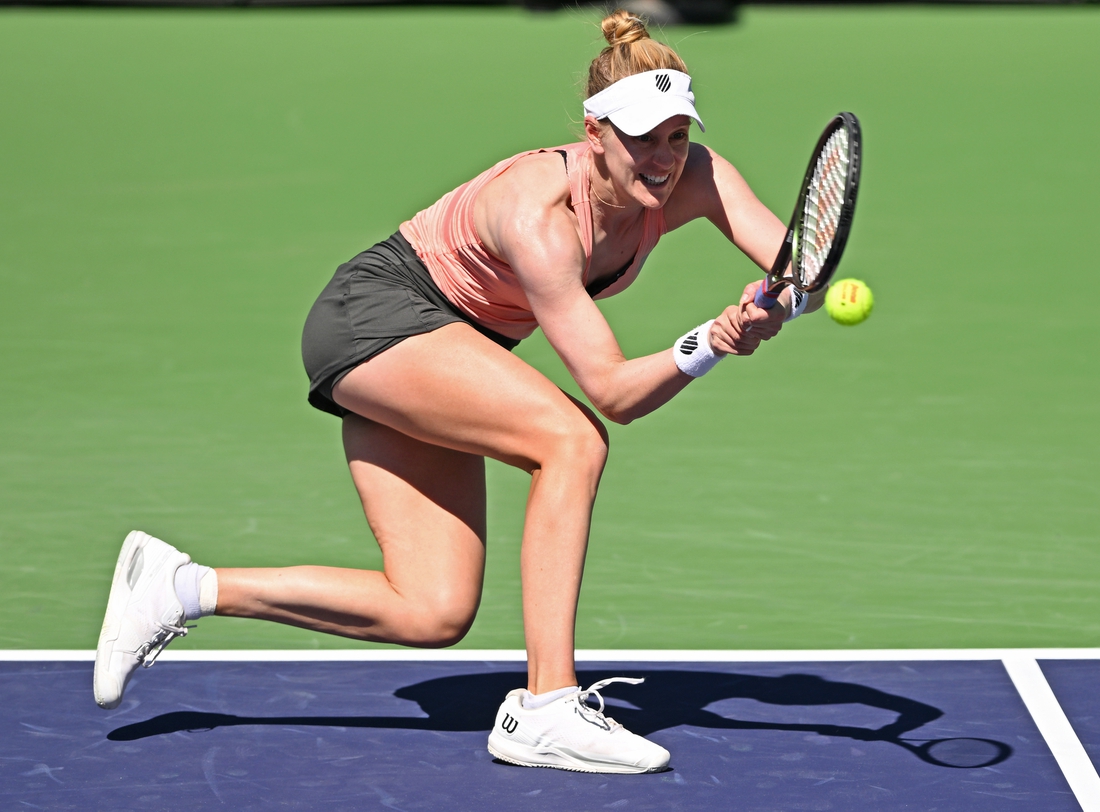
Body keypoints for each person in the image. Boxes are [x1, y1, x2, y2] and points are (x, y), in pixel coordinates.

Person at [93, 10, 824, 774]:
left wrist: (780, 298)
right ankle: (546, 706)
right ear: (594, 131)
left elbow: (801, 263)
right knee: (570, 439)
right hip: (376, 318)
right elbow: (611, 390)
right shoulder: (538, 215)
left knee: (432, 608)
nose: (664, 157)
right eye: (642, 137)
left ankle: (180, 587)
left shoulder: (699, 175)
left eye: (677, 135)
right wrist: (713, 339)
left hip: (454, 349)